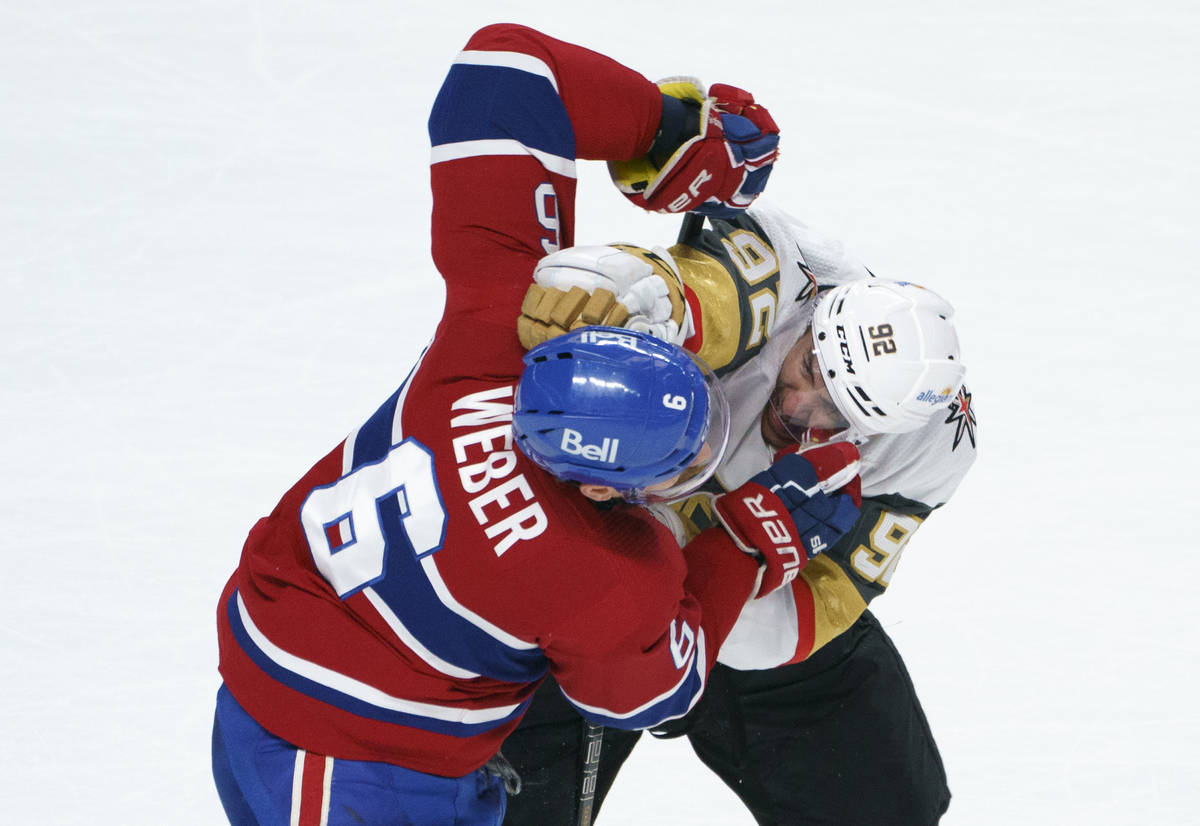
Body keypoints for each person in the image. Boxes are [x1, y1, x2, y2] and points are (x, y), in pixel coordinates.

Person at [210, 23, 863, 826]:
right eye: (674, 467)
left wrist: (663, 126)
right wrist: (746, 542)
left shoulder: (498, 331)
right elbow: (653, 695)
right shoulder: (608, 576)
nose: (697, 463)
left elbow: (504, 73)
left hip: (280, 663)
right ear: (596, 485)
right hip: (358, 771)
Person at [501, 206, 978, 825]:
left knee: (885, 809)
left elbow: (794, 624)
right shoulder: (785, 274)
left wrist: (738, 555)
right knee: (500, 803)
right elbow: (663, 292)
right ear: (813, 326)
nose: (800, 406)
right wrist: (616, 293)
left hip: (748, 593)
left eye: (836, 412)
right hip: (597, 548)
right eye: (809, 368)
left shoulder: (928, 447)